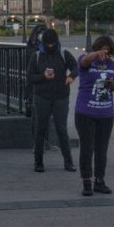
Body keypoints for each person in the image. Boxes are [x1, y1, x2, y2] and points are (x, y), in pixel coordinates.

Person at [74, 36, 114, 196]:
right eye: (103, 49)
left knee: (102, 149)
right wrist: (96, 54)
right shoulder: (87, 60)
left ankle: (99, 181)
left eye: (108, 51)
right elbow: (84, 61)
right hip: (85, 112)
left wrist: (111, 84)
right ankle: (87, 181)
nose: (105, 53)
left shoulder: (112, 65)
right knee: (87, 148)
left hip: (105, 114)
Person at [26, 28, 78, 173]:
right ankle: (38, 162)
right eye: (47, 44)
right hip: (41, 97)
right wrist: (43, 76)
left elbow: (75, 66)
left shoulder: (63, 53)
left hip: (61, 97)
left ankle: (68, 162)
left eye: (52, 44)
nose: (50, 47)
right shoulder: (36, 56)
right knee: (40, 129)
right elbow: (30, 76)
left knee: (62, 130)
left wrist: (71, 76)